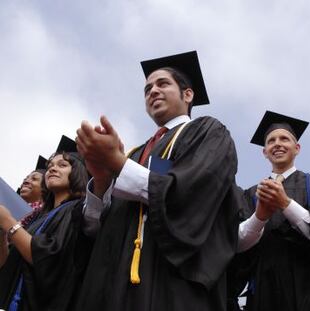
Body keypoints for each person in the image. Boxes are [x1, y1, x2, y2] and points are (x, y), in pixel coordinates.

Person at [75, 51, 240, 311]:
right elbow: (95, 228)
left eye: (163, 84)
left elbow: (192, 195)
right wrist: (101, 178)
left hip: (172, 283)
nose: (153, 91)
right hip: (114, 285)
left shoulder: (208, 132)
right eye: (147, 88)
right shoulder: (133, 153)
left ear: (188, 95)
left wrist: (117, 164)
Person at [229, 111, 310, 311]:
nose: (277, 144)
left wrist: (286, 204)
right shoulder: (250, 194)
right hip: (264, 285)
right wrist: (259, 217)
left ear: (297, 148)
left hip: (309, 282)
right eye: (271, 141)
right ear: (264, 152)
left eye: (285, 139)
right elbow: (237, 242)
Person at [0, 137, 91, 311]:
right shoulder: (36, 219)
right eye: (50, 166)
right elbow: (4, 264)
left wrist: (9, 222)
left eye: (62, 165)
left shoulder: (78, 210)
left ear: (78, 172)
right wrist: (2, 230)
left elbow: (47, 257)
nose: (52, 169)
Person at [18, 155, 48, 227]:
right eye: (25, 179)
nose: (26, 181)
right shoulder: (15, 213)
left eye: (34, 179)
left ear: (45, 187)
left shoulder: (45, 216)